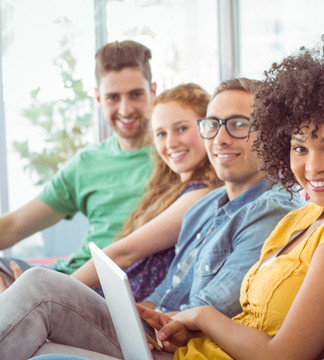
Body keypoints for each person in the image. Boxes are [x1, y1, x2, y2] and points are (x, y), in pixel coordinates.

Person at [0, 78, 302, 360]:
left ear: (273, 134)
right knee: (36, 344)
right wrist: (136, 315)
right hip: (152, 332)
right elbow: (165, 291)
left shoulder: (271, 210)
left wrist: (149, 320)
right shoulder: (207, 204)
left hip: (176, 346)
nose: (220, 139)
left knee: (41, 288)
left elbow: (214, 308)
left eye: (238, 124)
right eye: (212, 125)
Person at [136, 37, 324, 360]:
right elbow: (251, 322)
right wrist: (190, 330)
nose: (313, 166)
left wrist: (201, 317)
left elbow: (282, 355)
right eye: (299, 148)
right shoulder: (301, 218)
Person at [0, 40, 156, 277]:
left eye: (136, 94)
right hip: (64, 274)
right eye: (113, 97)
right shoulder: (87, 163)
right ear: (98, 99)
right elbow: (13, 227)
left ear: (153, 91)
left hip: (105, 286)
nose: (125, 110)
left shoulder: (175, 158)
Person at [73, 83, 221, 302]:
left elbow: (124, 254)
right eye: (161, 134)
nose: (170, 143)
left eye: (181, 128)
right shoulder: (170, 189)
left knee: (30, 287)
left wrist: (55, 291)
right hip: (106, 301)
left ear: (207, 128)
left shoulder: (202, 194)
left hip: (124, 313)